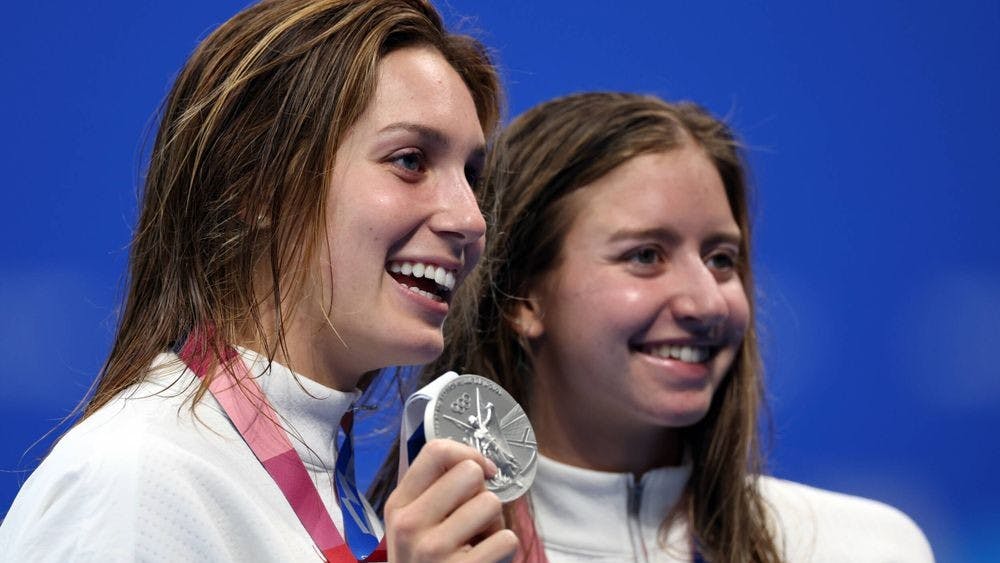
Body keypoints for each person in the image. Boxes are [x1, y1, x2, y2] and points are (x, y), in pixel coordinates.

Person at [0, 1, 518, 561]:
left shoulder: (342, 499)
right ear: (259, 184)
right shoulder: (135, 477)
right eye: (411, 161)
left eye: (471, 176)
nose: (471, 220)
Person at [413, 92, 935, 562]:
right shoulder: (424, 549)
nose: (707, 302)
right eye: (646, 256)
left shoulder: (865, 546)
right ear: (524, 298)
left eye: (722, 259)